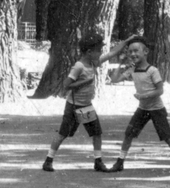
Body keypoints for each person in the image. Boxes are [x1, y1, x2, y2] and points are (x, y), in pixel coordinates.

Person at [42, 33, 126, 172]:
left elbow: (111, 53)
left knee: (96, 133)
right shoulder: (79, 66)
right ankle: (48, 160)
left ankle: (98, 161)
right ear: (89, 52)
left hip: (86, 106)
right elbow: (66, 85)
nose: (100, 53)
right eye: (98, 50)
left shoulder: (93, 63)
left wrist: (127, 41)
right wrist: (83, 83)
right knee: (63, 134)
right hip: (74, 106)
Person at [111, 35, 170, 174]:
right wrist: (120, 63)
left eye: (136, 51)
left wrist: (143, 96)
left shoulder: (152, 70)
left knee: (168, 137)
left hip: (156, 109)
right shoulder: (132, 69)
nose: (133, 54)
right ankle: (120, 162)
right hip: (142, 109)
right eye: (130, 51)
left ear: (145, 52)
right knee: (129, 134)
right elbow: (114, 80)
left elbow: (160, 90)